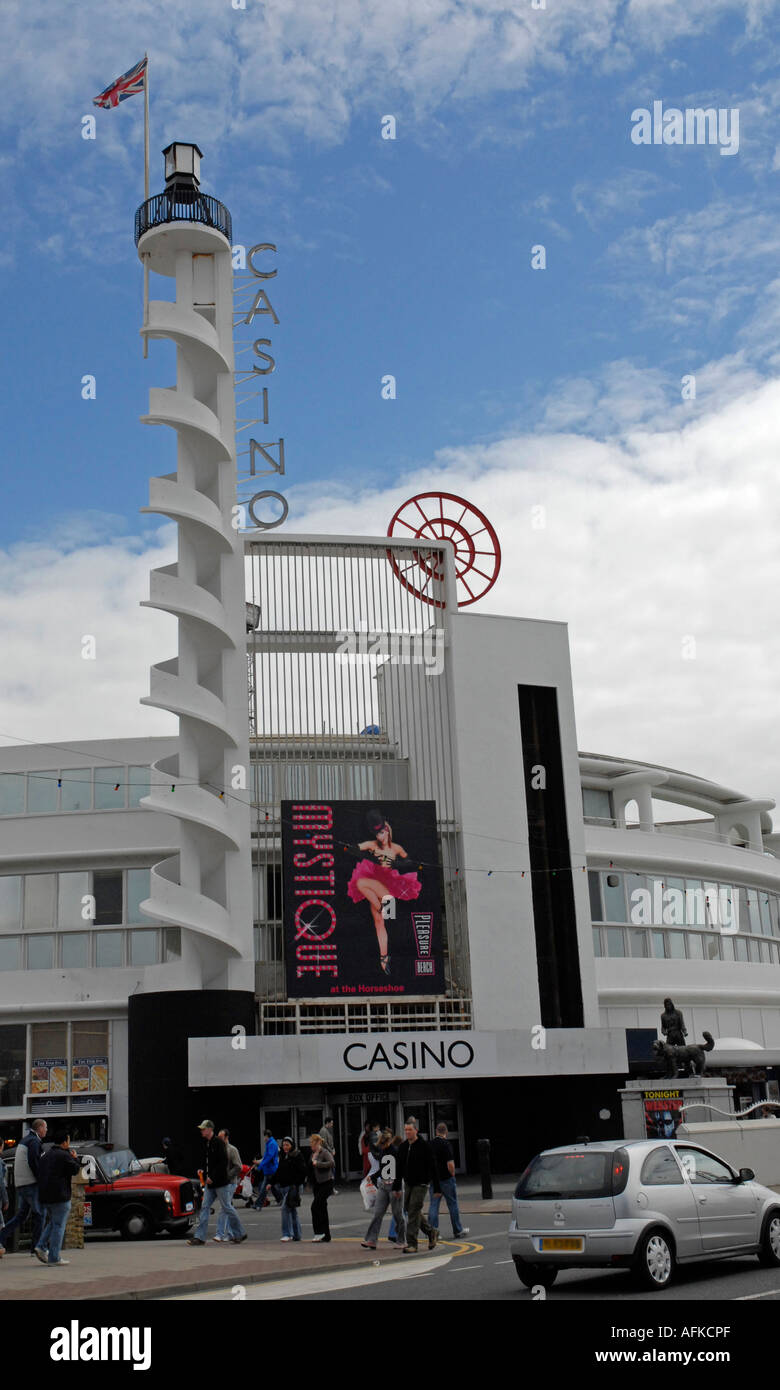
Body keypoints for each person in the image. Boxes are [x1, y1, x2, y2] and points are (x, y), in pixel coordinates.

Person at [346, 810, 422, 975]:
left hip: (389, 887)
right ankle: (384, 957)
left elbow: (411, 862)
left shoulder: (396, 848)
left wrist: (400, 864)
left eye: (381, 832)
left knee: (362, 884)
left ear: (386, 830)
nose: (379, 836)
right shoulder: (372, 845)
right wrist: (357, 850)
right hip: (376, 885)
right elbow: (354, 848)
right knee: (379, 923)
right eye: (376, 834)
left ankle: (385, 908)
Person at [187, 1120, 247, 1246]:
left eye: (203, 1129)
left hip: (220, 1183)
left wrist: (212, 1177)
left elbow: (223, 1162)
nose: (201, 1131)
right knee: (205, 1207)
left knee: (227, 1207)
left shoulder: (218, 1143)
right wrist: (204, 1173)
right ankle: (200, 1237)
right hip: (211, 1184)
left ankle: (239, 1233)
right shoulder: (208, 1143)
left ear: (209, 1129)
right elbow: (210, 1163)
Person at [0, 1117, 47, 1255]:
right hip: (30, 1183)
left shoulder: (25, 1140)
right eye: (45, 1127)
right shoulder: (34, 1141)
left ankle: (1, 1237)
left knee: (21, 1216)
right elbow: (34, 1162)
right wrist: (41, 1178)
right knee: (40, 1214)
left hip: (21, 1183)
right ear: (39, 1128)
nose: (46, 1130)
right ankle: (37, 1247)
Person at [34, 1130, 81, 1267]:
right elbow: (75, 1170)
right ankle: (54, 1257)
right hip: (60, 1195)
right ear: (65, 1142)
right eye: (68, 1140)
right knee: (59, 1226)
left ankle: (41, 1246)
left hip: (45, 1195)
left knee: (54, 1222)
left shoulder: (45, 1155)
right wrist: (75, 1158)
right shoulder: (64, 1155)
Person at [392, 1119, 437, 1254]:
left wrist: (438, 1187)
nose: (407, 1132)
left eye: (410, 1130)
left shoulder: (424, 1146)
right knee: (409, 1209)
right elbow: (398, 1168)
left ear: (416, 1130)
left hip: (421, 1183)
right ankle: (431, 1231)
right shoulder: (403, 1147)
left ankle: (412, 1244)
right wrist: (397, 1187)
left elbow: (433, 1166)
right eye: (405, 1130)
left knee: (412, 1211)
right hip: (408, 1183)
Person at [361, 1129, 405, 1249]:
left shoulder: (395, 1152)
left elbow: (399, 1171)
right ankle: (371, 1240)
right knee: (377, 1213)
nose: (382, 1146)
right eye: (381, 1144)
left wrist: (398, 1188)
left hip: (395, 1185)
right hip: (383, 1185)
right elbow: (383, 1169)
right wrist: (373, 1176)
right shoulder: (383, 1152)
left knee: (397, 1214)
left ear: (389, 1141)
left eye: (384, 1143)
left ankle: (401, 1240)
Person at [428, 1123, 469, 1239]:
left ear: (436, 1131)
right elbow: (450, 1164)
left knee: (433, 1205)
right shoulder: (446, 1144)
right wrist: (452, 1174)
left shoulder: (430, 1144)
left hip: (434, 1180)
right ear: (446, 1132)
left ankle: (432, 1231)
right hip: (446, 1179)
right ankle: (458, 1230)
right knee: (452, 1204)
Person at [214, 1128, 243, 1242]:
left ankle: (220, 1233)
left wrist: (227, 1176)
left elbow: (238, 1166)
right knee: (227, 1207)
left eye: (221, 1137)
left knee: (224, 1207)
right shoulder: (218, 1149)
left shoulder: (232, 1150)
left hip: (230, 1183)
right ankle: (232, 1233)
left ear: (226, 1138)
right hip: (222, 1183)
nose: (219, 1139)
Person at [276, 1137, 307, 1242]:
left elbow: (303, 1171)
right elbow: (279, 1170)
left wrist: (297, 1184)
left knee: (285, 1208)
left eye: (287, 1145)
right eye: (284, 1145)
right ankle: (297, 1235)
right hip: (284, 1186)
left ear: (292, 1145)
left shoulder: (297, 1155)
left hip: (293, 1186)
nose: (285, 1147)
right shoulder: (282, 1155)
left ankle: (287, 1233)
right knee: (292, 1209)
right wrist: (271, 1182)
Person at [308, 1133, 335, 1242]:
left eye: (312, 1144)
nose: (311, 1146)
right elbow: (310, 1166)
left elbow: (332, 1163)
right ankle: (326, 1235)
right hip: (317, 1184)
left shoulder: (324, 1152)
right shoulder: (312, 1154)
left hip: (326, 1183)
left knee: (315, 1206)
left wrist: (318, 1164)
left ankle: (319, 1232)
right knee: (322, 1208)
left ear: (318, 1143)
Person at [250, 1129, 281, 1209]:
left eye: (264, 1136)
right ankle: (281, 1199)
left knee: (264, 1188)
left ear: (267, 1136)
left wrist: (260, 1166)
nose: (264, 1138)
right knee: (272, 1187)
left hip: (270, 1169)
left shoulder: (271, 1144)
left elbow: (268, 1157)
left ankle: (258, 1204)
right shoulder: (271, 1143)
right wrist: (259, 1163)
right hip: (271, 1169)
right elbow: (266, 1157)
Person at [319, 1116, 339, 1194]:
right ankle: (330, 1188)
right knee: (330, 1171)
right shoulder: (323, 1131)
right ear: (327, 1123)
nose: (332, 1125)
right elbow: (325, 1143)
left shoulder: (326, 1130)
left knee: (331, 1171)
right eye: (331, 1123)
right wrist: (331, 1150)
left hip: (328, 1153)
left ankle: (330, 1188)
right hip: (327, 1154)